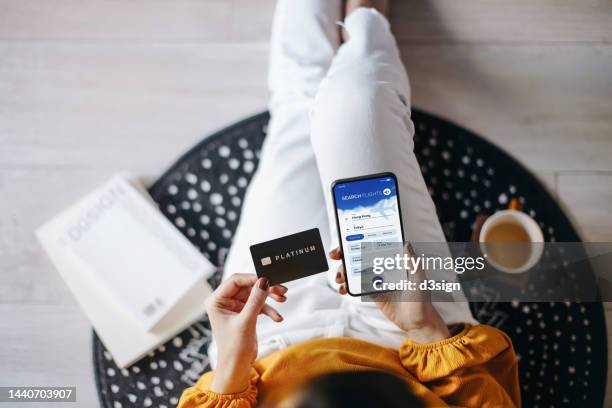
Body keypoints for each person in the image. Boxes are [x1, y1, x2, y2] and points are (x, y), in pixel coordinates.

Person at [179, 0, 520, 406]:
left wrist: (232, 363)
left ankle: (357, 28)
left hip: (268, 346)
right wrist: (425, 326)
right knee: (358, 104)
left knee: (299, 112)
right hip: (413, 345)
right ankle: (366, 19)